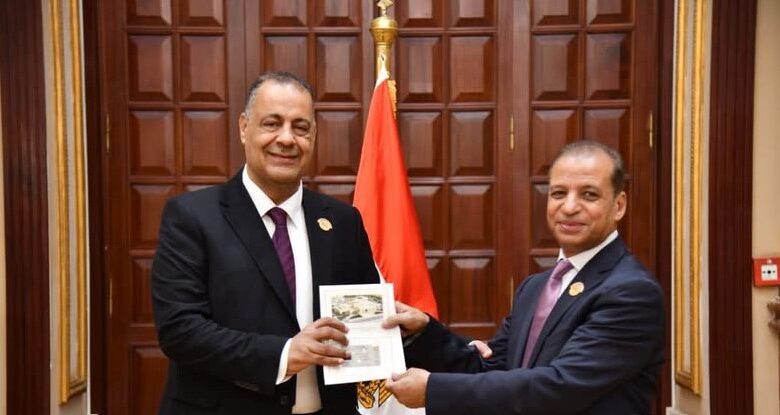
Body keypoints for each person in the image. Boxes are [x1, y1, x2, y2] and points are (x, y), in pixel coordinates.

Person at [152, 71, 379, 415]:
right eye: (272, 124)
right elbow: (180, 331)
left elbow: (365, 322)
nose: (286, 139)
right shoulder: (191, 217)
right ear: (244, 128)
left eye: (300, 127)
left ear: (313, 136)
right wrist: (285, 354)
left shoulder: (343, 222)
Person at [383, 141, 665, 415]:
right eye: (558, 193)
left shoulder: (632, 291)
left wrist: (434, 390)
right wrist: (424, 332)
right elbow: (492, 367)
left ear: (619, 205)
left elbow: (560, 387)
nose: (569, 206)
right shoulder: (535, 287)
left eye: (589, 195)